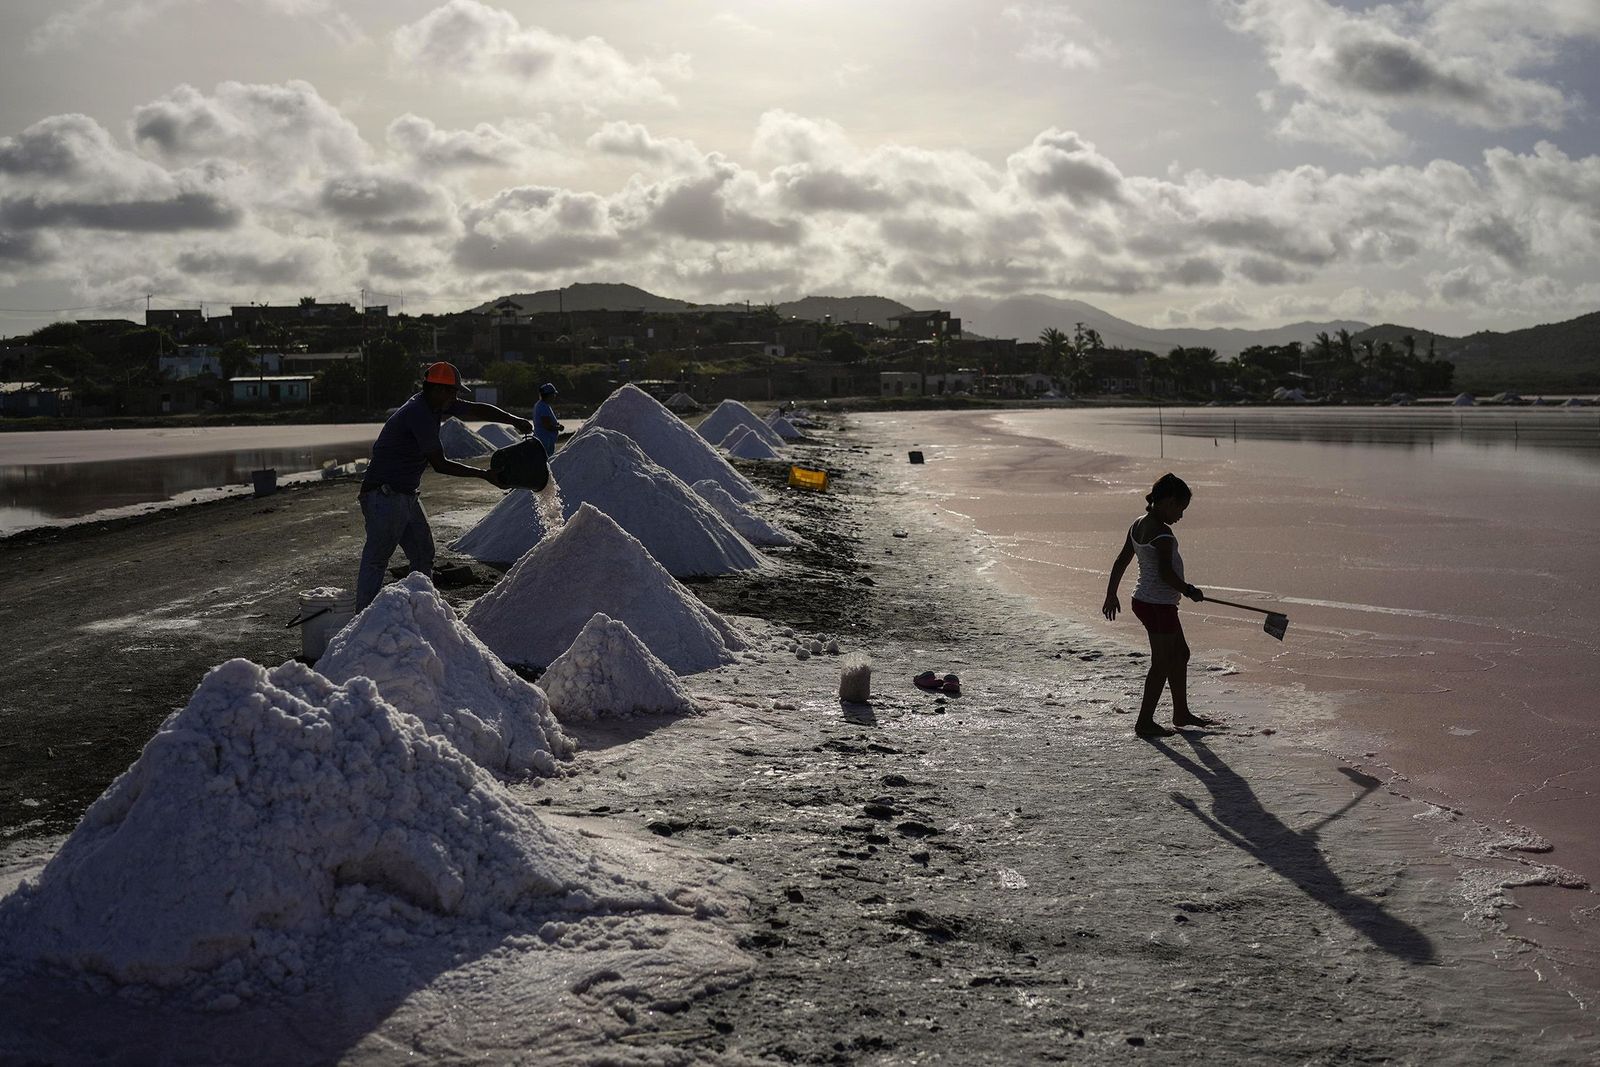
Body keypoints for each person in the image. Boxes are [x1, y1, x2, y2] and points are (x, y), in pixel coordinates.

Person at [355, 362, 532, 609]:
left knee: (422, 554)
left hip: (405, 495)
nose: (456, 398)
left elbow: (476, 410)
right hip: (384, 495)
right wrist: (484, 475)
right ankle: (361, 625)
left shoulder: (436, 403)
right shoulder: (419, 413)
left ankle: (423, 612)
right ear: (437, 389)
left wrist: (512, 419)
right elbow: (440, 464)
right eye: (453, 392)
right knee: (376, 560)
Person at [1102, 473, 1213, 738]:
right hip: (1157, 605)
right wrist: (1187, 589)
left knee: (1181, 654)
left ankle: (1181, 713)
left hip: (1147, 601)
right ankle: (1144, 722)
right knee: (1161, 662)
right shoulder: (1162, 533)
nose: (1180, 516)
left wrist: (1111, 594)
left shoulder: (1138, 523)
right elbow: (1165, 573)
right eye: (1179, 509)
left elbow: (1121, 561)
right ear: (1166, 502)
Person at [532, 382, 564, 456]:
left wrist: (556, 424)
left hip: (542, 439)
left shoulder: (541, 405)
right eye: (553, 394)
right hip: (545, 440)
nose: (554, 397)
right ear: (549, 395)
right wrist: (559, 427)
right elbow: (547, 426)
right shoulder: (543, 407)